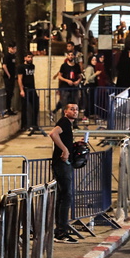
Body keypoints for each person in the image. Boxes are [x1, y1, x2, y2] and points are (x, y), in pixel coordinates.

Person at [49, 103, 80, 243]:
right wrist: (65, 150)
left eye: (76, 109)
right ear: (65, 111)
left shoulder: (69, 124)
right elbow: (53, 134)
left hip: (63, 164)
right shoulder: (64, 122)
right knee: (66, 196)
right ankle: (62, 232)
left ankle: (59, 230)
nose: (75, 111)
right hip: (62, 164)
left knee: (62, 196)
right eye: (72, 109)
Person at [18, 51, 41, 135]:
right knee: (25, 107)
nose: (30, 59)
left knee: (35, 106)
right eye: (28, 57)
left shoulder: (32, 66)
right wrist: (21, 89)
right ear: (25, 58)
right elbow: (20, 79)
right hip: (25, 89)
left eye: (31, 57)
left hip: (32, 89)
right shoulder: (21, 67)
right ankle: (24, 125)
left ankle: (34, 124)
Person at [1, 42, 17, 115]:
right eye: (14, 48)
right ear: (10, 48)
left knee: (11, 93)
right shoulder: (7, 56)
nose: (15, 50)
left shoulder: (13, 56)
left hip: (12, 76)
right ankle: (8, 108)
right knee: (9, 92)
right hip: (8, 77)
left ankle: (10, 108)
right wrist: (8, 74)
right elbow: (4, 66)